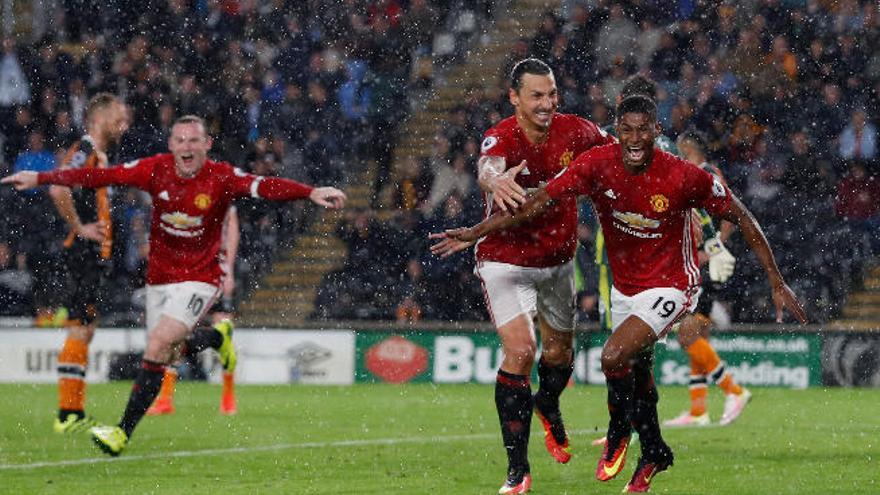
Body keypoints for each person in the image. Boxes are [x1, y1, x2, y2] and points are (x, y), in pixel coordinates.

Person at [431, 95, 807, 493]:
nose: (634, 138)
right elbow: (536, 201)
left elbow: (742, 215)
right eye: (626, 129)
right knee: (639, 371)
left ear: (656, 131)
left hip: (672, 284)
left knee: (614, 355)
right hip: (626, 287)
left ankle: (618, 433)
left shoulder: (683, 175)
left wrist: (776, 280)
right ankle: (655, 451)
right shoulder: (596, 165)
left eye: (643, 130)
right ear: (616, 131)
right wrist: (477, 231)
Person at [3, 115, 347, 456]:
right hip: (161, 278)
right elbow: (98, 175)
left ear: (206, 145)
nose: (187, 146)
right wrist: (40, 176)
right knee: (166, 352)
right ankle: (217, 337)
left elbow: (265, 186)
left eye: (194, 140)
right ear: (171, 145)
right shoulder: (155, 169)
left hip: (201, 277)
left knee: (158, 344)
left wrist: (311, 192)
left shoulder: (222, 176)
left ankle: (121, 433)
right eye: (180, 140)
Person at [438, 58, 614, 494]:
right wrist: (494, 181)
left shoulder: (578, 131)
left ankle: (548, 406)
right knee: (521, 351)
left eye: (552, 94)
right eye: (536, 95)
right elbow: (488, 167)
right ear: (514, 97)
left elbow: (620, 150)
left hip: (557, 262)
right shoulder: (501, 135)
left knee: (559, 357)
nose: (547, 103)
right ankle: (518, 471)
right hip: (504, 260)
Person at [47, 93, 130, 435]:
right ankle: (68, 413)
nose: (123, 126)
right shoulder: (85, 150)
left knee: (86, 328)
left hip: (92, 255)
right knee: (81, 327)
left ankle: (72, 410)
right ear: (100, 120)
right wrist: (78, 227)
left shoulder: (100, 155)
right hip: (83, 252)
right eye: (118, 119)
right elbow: (57, 189)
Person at [663, 130, 751, 427]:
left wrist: (718, 251)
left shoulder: (707, 173)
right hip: (698, 262)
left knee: (686, 333)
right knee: (698, 336)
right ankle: (698, 410)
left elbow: (729, 211)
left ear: (687, 148)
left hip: (706, 266)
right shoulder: (694, 174)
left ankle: (734, 390)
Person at [147, 204, 240, 416]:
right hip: (190, 272)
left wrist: (230, 271)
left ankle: (228, 396)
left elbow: (232, 231)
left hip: (216, 270)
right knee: (175, 333)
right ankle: (165, 399)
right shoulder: (183, 193)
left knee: (223, 323)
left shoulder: (221, 190)